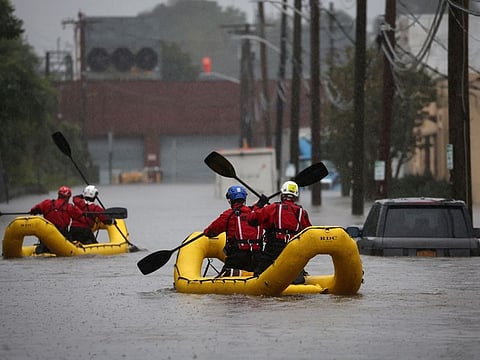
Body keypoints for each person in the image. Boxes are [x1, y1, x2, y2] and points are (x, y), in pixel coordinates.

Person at [247, 180, 312, 283]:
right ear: (295, 196)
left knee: (259, 275)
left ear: (282, 195)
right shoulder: (302, 212)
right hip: (294, 248)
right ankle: (299, 278)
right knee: (296, 273)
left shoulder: (273, 208)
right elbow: (309, 234)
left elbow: (251, 220)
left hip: (274, 248)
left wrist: (259, 205)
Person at [203, 185, 263, 277]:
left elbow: (210, 231)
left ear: (230, 200)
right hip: (257, 257)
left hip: (237, 257)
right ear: (244, 199)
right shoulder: (256, 213)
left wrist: (206, 233)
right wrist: (260, 204)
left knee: (222, 276)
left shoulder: (228, 215)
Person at [30, 185, 82, 253]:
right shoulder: (70, 207)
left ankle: (43, 247)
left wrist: (35, 212)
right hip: (61, 234)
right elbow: (79, 214)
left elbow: (34, 210)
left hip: (46, 232)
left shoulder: (47, 203)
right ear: (68, 197)